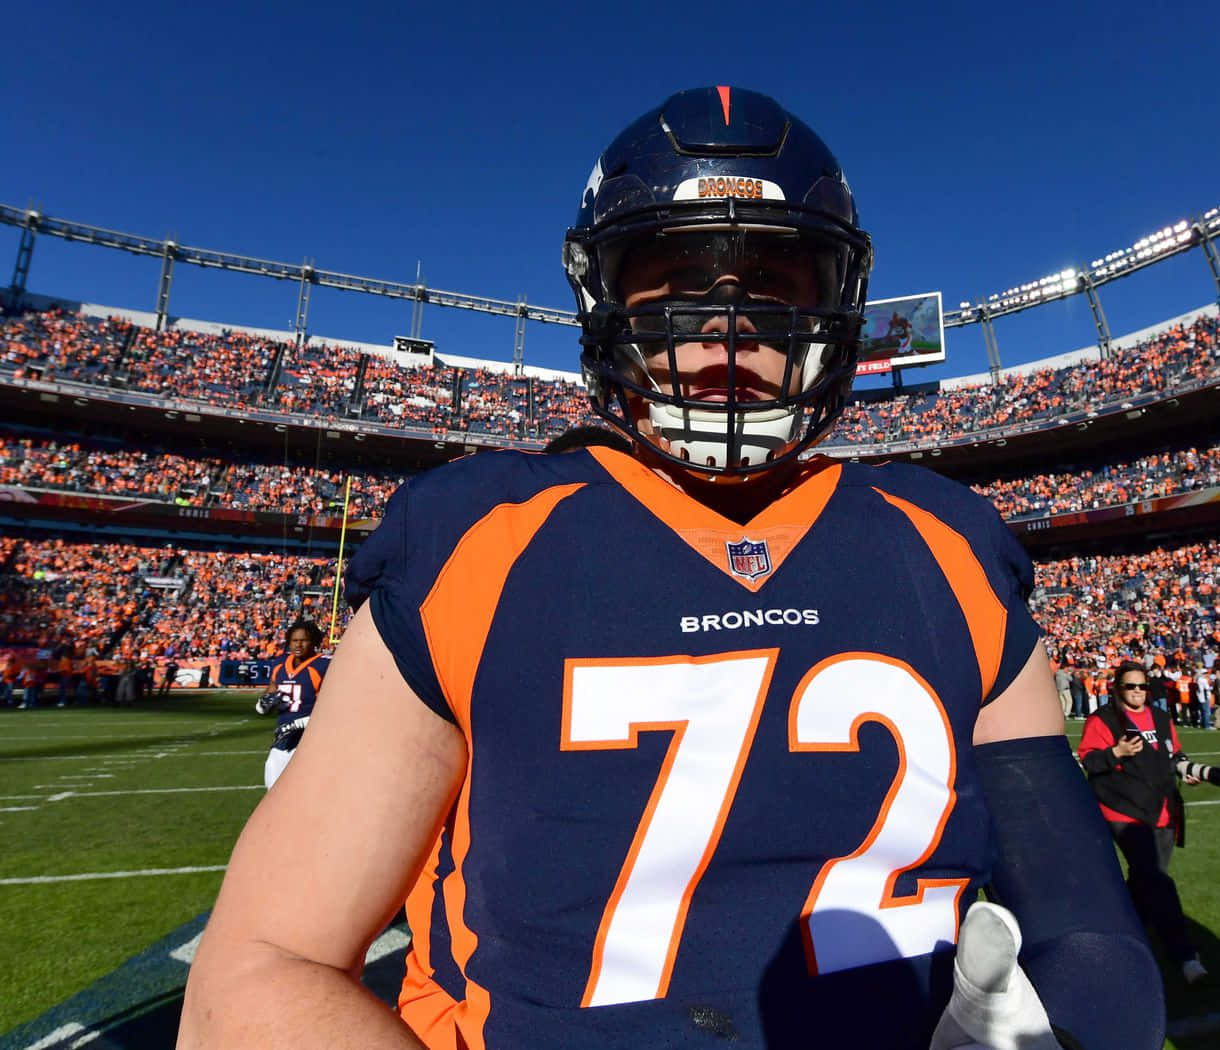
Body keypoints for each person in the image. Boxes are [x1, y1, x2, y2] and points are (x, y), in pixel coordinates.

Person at [180, 87, 1160, 1050]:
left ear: (838, 303)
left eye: (772, 278)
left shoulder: (947, 544)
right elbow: (259, 974)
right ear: (604, 299)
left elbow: (1087, 937)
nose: (724, 325)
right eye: (673, 276)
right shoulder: (476, 539)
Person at [1078, 661, 1220, 984]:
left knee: (1145, 882)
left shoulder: (1161, 718)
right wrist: (1115, 753)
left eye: (1142, 686)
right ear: (1118, 688)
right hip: (1123, 810)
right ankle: (1186, 957)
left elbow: (1174, 756)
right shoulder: (1103, 719)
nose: (1137, 692)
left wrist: (1193, 771)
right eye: (1130, 686)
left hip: (1162, 808)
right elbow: (1089, 760)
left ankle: (1121, 939)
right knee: (1158, 880)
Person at [253, 620, 331, 789]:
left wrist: (303, 722)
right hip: (283, 739)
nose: (298, 645)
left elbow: (333, 706)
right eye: (294, 640)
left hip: (309, 740)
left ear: (314, 641)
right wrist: (263, 704)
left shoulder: (324, 665)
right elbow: (270, 693)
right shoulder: (280, 664)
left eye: (304, 640)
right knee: (273, 790)